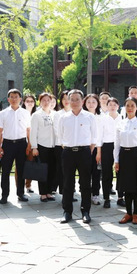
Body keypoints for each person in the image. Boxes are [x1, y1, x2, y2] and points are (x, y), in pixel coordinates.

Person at [59, 89, 99, 224]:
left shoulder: (89, 117)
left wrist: (87, 150)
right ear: (68, 101)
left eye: (77, 99)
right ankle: (67, 211)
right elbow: (60, 136)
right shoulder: (64, 117)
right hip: (68, 152)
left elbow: (94, 137)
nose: (75, 102)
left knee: (85, 183)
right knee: (67, 183)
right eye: (72, 99)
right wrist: (68, 148)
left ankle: (85, 211)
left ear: (82, 101)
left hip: (84, 152)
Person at [115, 98, 137, 225]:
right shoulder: (120, 123)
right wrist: (116, 160)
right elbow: (117, 144)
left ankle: (135, 214)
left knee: (136, 187)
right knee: (126, 187)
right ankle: (128, 213)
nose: (130, 108)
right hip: (124, 156)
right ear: (124, 107)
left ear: (136, 107)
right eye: (127, 105)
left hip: (136, 156)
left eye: (132, 105)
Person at [0, 89, 31, 204]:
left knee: (21, 170)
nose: (14, 99)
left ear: (20, 99)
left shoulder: (25, 113)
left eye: (16, 97)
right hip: (8, 144)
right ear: (8, 99)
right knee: (5, 171)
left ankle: (20, 193)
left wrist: (29, 145)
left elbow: (28, 130)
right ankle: (4, 195)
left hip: (22, 144)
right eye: (12, 97)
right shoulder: (3, 113)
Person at [29, 93, 56, 202]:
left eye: (48, 100)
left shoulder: (54, 114)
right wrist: (34, 147)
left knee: (52, 169)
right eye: (43, 100)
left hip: (53, 146)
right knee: (42, 170)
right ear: (40, 102)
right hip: (42, 146)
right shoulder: (36, 115)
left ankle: (49, 192)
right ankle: (43, 193)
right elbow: (33, 132)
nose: (46, 102)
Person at [100, 97, 121, 208]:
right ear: (107, 106)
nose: (112, 107)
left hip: (120, 146)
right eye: (110, 105)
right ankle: (106, 198)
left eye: (114, 105)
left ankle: (120, 197)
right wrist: (99, 152)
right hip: (106, 147)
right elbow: (99, 136)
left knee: (120, 173)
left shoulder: (122, 118)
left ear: (118, 106)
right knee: (106, 173)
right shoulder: (103, 119)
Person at [83, 94, 103, 205]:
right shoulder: (82, 116)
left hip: (97, 149)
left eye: (93, 102)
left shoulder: (101, 117)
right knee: (85, 172)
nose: (91, 104)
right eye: (89, 102)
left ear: (97, 104)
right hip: (84, 148)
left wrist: (98, 152)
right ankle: (85, 194)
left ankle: (95, 194)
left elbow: (99, 136)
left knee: (96, 172)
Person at [53, 90, 71, 196]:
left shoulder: (76, 113)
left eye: (68, 98)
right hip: (60, 145)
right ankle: (63, 191)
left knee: (70, 170)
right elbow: (57, 131)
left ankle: (70, 190)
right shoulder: (58, 114)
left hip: (73, 145)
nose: (66, 101)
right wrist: (65, 142)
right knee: (61, 169)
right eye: (64, 98)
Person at [22, 94, 37, 193]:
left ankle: (28, 185)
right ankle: (19, 186)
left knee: (30, 164)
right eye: (27, 101)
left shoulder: (36, 114)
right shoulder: (21, 113)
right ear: (24, 102)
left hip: (33, 143)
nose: (30, 103)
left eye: (32, 101)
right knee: (20, 165)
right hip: (22, 142)